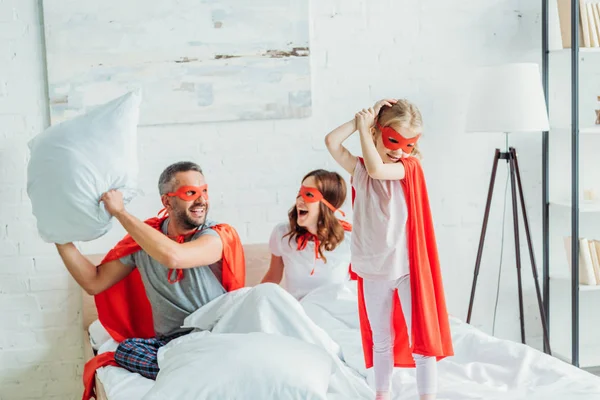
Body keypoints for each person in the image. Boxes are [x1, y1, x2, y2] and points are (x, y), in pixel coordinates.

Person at [55, 161, 245, 395]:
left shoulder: (217, 235)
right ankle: (196, 370)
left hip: (216, 337)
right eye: (190, 193)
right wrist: (59, 237)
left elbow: (174, 257)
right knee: (126, 350)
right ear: (167, 201)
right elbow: (94, 282)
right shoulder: (143, 242)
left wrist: (121, 212)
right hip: (170, 346)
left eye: (204, 191)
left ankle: (194, 370)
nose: (202, 200)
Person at [325, 99, 453, 400]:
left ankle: (426, 396)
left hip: (407, 268)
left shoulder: (408, 168)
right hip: (373, 270)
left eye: (409, 144)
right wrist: (362, 118)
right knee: (380, 339)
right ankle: (381, 394)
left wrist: (366, 131)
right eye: (393, 140)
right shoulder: (359, 171)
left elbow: (377, 168)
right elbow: (331, 141)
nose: (400, 150)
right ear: (379, 132)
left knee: (420, 340)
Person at [261, 169, 352, 300]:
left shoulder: (349, 239)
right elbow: (273, 277)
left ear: (328, 205)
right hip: (298, 314)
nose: (299, 200)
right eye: (300, 193)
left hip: (333, 313)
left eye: (309, 195)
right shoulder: (283, 234)